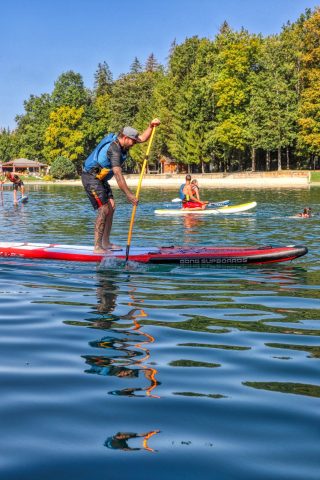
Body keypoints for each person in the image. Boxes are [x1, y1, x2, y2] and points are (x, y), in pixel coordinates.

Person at [81, 119, 160, 253]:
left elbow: (142, 138)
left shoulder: (125, 143)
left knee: (111, 206)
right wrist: (129, 195)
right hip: (91, 178)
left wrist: (150, 126)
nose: (134, 143)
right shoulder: (115, 150)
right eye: (132, 141)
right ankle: (97, 247)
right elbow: (118, 175)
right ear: (125, 137)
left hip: (101, 179)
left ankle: (106, 243)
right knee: (104, 209)